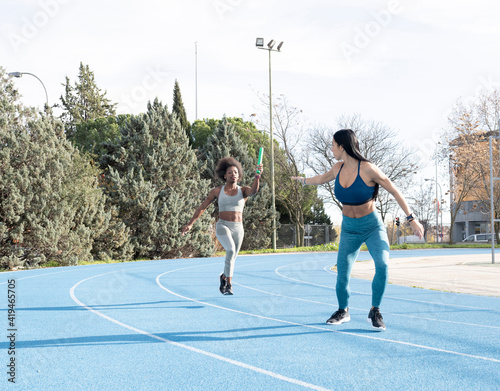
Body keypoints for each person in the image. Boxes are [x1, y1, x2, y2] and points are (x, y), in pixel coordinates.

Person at [291, 129, 424, 331]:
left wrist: (411, 219)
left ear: (342, 146)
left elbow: (394, 190)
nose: (331, 149)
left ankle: (375, 310)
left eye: (333, 145)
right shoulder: (337, 168)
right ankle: (343, 311)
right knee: (342, 273)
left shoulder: (369, 169)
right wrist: (302, 180)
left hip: (372, 226)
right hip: (349, 229)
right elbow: (320, 178)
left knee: (382, 265)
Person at [182, 157, 263, 295]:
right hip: (223, 226)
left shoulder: (243, 191)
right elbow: (202, 207)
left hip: (238, 228)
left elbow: (254, 191)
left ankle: (224, 277)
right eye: (230, 172)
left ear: (239, 175)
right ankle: (229, 285)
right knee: (230, 250)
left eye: (236, 172)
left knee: (232, 257)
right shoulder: (217, 191)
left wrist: (257, 176)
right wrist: (190, 224)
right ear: (224, 175)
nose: (233, 174)